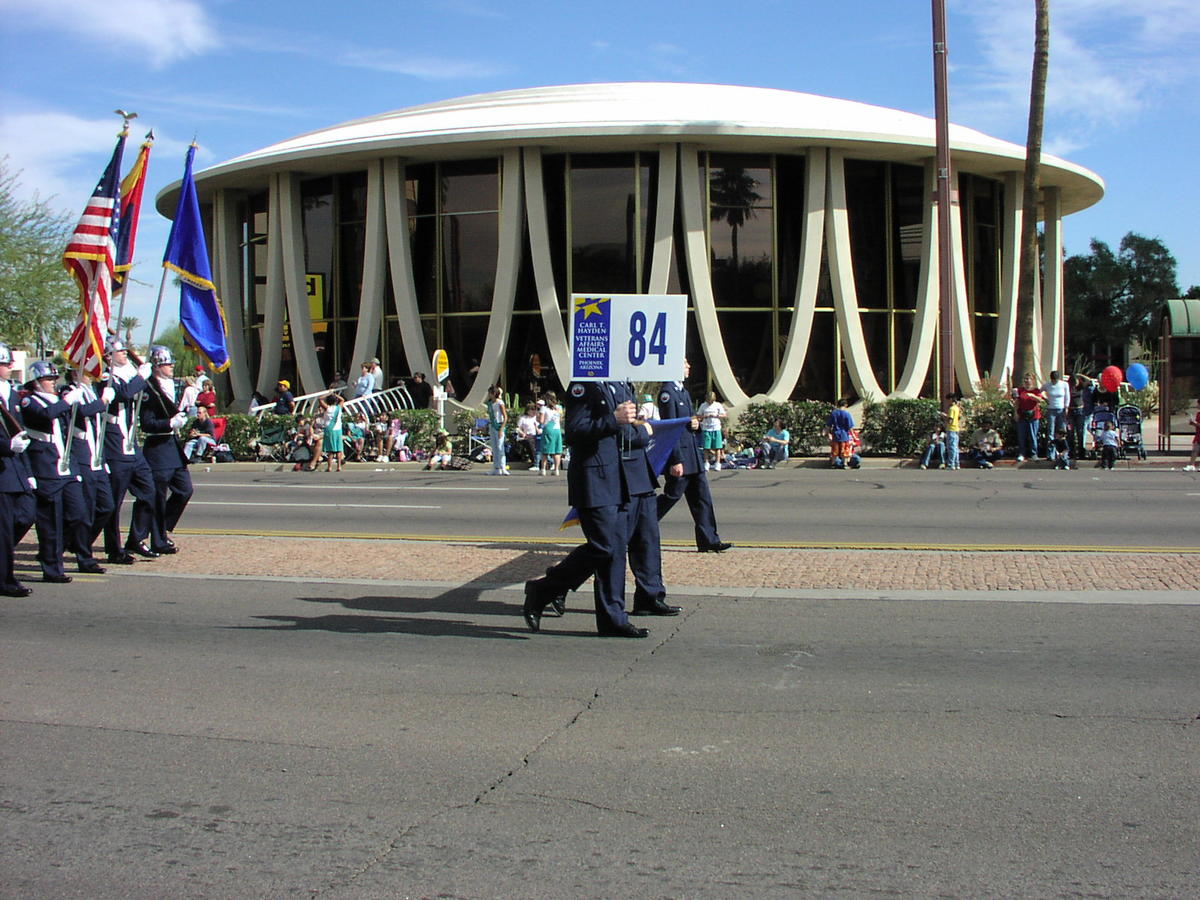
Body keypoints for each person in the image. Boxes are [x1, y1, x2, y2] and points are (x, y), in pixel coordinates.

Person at [522, 380, 671, 637]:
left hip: (619, 478)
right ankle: (545, 588)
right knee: (605, 546)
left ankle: (613, 619)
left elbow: (623, 432)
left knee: (613, 552)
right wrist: (615, 418)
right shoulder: (584, 384)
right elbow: (575, 430)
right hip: (594, 478)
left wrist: (638, 428)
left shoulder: (620, 383)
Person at [19, 361, 87, 583]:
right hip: (46, 466)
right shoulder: (30, 400)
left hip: (65, 465)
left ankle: (54, 551)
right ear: (37, 382)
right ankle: (52, 568)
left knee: (78, 513)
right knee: (50, 521)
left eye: (54, 379)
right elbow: (46, 415)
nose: (52, 383)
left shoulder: (59, 399)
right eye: (49, 379)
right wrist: (67, 401)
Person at [656, 360, 731, 552]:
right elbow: (670, 428)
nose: (688, 366)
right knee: (670, 497)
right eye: (684, 364)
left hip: (693, 456)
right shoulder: (668, 393)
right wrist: (675, 459)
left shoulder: (681, 391)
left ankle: (709, 540)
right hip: (681, 457)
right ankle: (635, 527)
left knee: (702, 499)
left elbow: (687, 422)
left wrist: (694, 424)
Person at [99, 337, 158, 562]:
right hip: (115, 446)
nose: (124, 353)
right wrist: (140, 376)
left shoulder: (128, 374)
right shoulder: (105, 377)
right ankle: (114, 549)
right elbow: (122, 393)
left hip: (132, 445)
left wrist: (144, 377)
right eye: (119, 351)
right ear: (108, 357)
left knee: (148, 492)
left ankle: (136, 538)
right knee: (113, 503)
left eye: (125, 350)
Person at [139, 345, 193, 554]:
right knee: (158, 497)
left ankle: (162, 528)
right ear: (157, 366)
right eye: (167, 364)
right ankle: (157, 539)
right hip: (158, 447)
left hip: (172, 446)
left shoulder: (172, 385)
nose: (171, 367)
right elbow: (147, 423)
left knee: (184, 490)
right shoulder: (149, 389)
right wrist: (169, 424)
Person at [60, 370, 115, 574]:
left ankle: (68, 541)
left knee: (106, 506)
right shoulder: (70, 390)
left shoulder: (90, 391)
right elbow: (81, 412)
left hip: (97, 456)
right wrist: (102, 402)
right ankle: (85, 558)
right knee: (87, 511)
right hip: (82, 455)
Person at [0, 341, 36, 594]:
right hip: (2, 469)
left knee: (26, 515)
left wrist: (29, 472)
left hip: (16, 469)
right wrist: (6, 446)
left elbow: (19, 433)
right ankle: (5, 580)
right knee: (3, 528)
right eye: (3, 363)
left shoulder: (11, 393)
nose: (8, 367)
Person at [1013, 373, 1045, 462]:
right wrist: (1015, 413)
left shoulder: (1036, 391)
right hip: (1022, 415)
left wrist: (1033, 396)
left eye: (1028, 379)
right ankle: (1021, 453)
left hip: (1033, 416)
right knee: (1021, 435)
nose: (1027, 381)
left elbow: (1041, 400)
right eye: (1025, 379)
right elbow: (1016, 403)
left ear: (1032, 380)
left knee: (1032, 435)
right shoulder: (1019, 390)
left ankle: (1033, 454)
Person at [1041, 370, 1070, 460]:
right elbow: (1039, 391)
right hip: (1051, 410)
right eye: (1053, 380)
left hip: (1061, 409)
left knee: (1061, 432)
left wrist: (1066, 407)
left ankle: (1064, 454)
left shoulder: (1064, 384)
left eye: (1056, 380)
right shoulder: (1047, 385)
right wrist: (1045, 399)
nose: (1054, 381)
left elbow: (1067, 397)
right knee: (1051, 432)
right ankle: (1051, 454)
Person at [697, 391, 727, 470]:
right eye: (709, 400)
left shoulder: (717, 405)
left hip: (716, 428)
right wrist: (705, 416)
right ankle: (706, 463)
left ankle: (717, 463)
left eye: (711, 401)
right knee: (706, 447)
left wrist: (716, 415)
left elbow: (724, 414)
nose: (710, 402)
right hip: (706, 428)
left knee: (717, 447)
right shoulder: (703, 405)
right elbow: (698, 415)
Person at [1069, 373, 1095, 460]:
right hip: (1070, 411)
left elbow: (1090, 382)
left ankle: (1081, 453)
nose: (1074, 383)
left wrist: (1079, 375)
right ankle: (1071, 452)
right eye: (1073, 382)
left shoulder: (1082, 387)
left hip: (1080, 410)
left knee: (1080, 432)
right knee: (1071, 433)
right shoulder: (1068, 387)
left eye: (1075, 381)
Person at [537, 391, 564, 476]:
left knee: (545, 450)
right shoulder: (559, 408)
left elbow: (541, 421)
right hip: (557, 429)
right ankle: (556, 469)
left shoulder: (544, 408)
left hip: (548, 429)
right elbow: (560, 419)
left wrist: (538, 419)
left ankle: (543, 469)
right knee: (557, 450)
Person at [318, 392, 345, 471]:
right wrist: (335, 394)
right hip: (338, 430)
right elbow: (342, 399)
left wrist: (328, 393)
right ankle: (339, 466)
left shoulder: (327, 408)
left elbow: (320, 399)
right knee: (339, 449)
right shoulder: (339, 408)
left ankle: (329, 467)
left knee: (330, 450)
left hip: (329, 429)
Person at [486, 384, 509, 475]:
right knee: (494, 447)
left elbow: (505, 417)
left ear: (494, 393)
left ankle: (503, 467)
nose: (489, 395)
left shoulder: (500, 403)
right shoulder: (490, 403)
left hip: (499, 426)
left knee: (500, 447)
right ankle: (496, 467)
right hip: (492, 426)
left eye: (490, 393)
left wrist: (501, 429)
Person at [826, 398, 855, 469]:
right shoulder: (847, 414)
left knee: (835, 449)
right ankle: (844, 464)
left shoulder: (833, 413)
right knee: (844, 449)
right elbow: (850, 426)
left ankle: (833, 464)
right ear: (845, 405)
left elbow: (829, 425)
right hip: (844, 434)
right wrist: (853, 435)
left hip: (835, 434)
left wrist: (828, 433)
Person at [942, 393, 963, 470]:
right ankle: (957, 463)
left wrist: (944, 416)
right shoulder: (957, 408)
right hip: (956, 429)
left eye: (947, 400)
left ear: (951, 399)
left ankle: (951, 464)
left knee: (951, 448)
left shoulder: (951, 409)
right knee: (955, 448)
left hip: (951, 429)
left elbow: (950, 420)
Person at [1183, 401, 1199, 472]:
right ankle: (1191, 465)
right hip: (1198, 434)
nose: (1197, 405)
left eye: (1198, 404)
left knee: (1195, 450)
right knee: (1194, 450)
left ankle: (1192, 465)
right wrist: (1192, 423)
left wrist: (1195, 423)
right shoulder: (1198, 414)